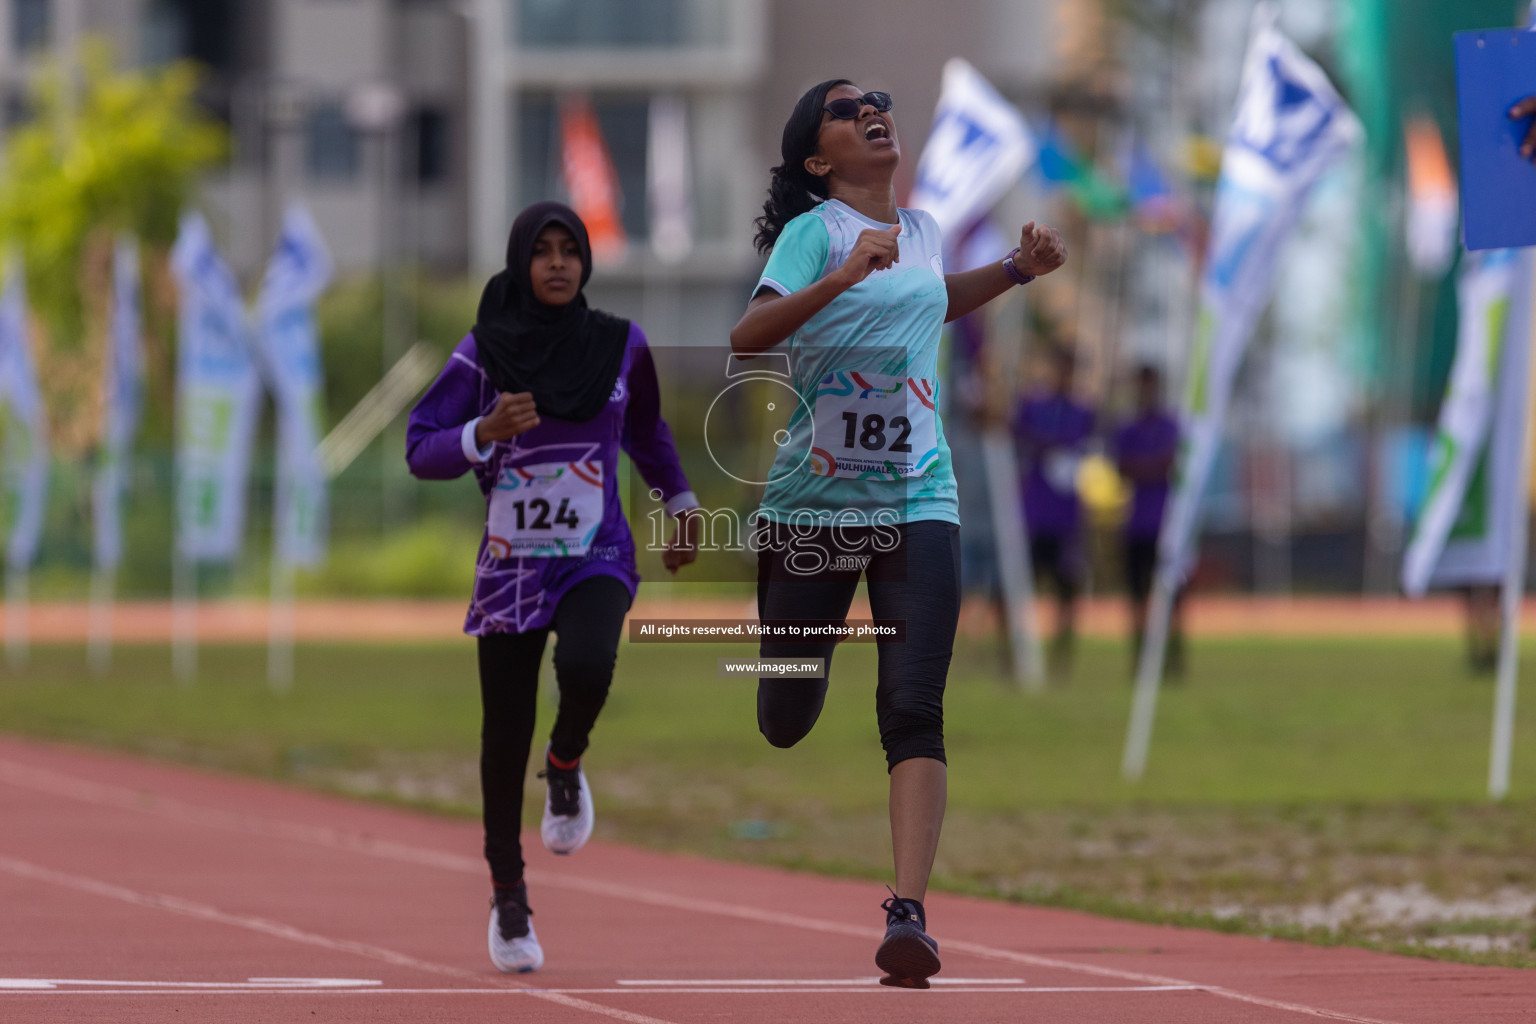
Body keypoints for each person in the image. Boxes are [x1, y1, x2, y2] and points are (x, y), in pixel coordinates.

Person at [729, 79, 1066, 988]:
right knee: (785, 719)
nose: (873, 109)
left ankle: (908, 911)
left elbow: (928, 300)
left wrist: (1016, 272)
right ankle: (790, 662)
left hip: (920, 498)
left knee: (913, 707)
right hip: (815, 508)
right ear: (817, 158)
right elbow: (749, 334)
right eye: (846, 109)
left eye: (878, 98)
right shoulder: (814, 235)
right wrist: (839, 276)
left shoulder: (921, 230)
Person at [406, 201, 699, 974]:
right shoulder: (483, 353)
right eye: (544, 252)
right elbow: (420, 447)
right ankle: (509, 894)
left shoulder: (620, 345)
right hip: (512, 565)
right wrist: (483, 432)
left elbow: (647, 432)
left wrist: (682, 501)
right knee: (503, 734)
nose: (560, 264)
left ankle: (565, 765)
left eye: (572, 250)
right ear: (519, 264)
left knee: (589, 666)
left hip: (594, 550)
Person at [1011, 345, 1095, 677]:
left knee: (1066, 585)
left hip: (1066, 516)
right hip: (1034, 512)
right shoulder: (1033, 406)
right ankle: (1017, 649)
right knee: (1021, 583)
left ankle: (1062, 652)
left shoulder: (1083, 411)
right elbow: (1018, 437)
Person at [1111, 363, 1183, 676]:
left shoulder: (1170, 425)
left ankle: (1172, 658)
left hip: (1165, 525)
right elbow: (1123, 468)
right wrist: (1152, 467)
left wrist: (1147, 467)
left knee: (1171, 597)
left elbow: (1171, 463)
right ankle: (1141, 658)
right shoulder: (1128, 428)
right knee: (1137, 594)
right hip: (1137, 524)